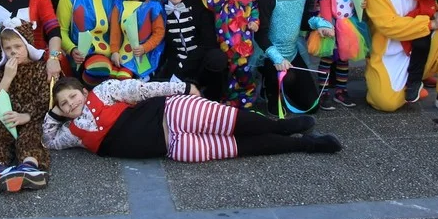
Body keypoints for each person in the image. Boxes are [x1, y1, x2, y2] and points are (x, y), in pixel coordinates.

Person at [43, 77, 341, 161]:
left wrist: (182, 88)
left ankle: (282, 126)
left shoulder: (103, 91)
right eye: (64, 104)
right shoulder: (73, 133)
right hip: (175, 147)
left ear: (84, 91)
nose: (71, 104)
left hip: (172, 112)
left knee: (232, 122)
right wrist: (54, 113)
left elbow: (143, 89)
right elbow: (49, 141)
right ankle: (305, 145)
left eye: (73, 96)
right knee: (241, 147)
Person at [0, 21, 51, 193]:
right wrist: (7, 78)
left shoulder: (39, 68)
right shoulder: (0, 73)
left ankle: (29, 167)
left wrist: (27, 116)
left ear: (27, 46)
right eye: (8, 48)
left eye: (18, 46)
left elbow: (45, 98)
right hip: (7, 120)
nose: (13, 51)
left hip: (31, 119)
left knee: (32, 136)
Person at [256, 0, 322, 115]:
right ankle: (269, 87)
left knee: (312, 106)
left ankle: (286, 86)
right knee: (279, 108)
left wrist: (319, 24)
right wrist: (277, 58)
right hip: (270, 54)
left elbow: (303, 21)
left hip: (292, 51)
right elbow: (260, 34)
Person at [152, 0, 227, 100]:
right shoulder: (159, 10)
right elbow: (166, 46)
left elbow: (208, 43)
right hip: (176, 64)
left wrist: (182, 69)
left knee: (217, 58)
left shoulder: (200, 5)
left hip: (201, 64)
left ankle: (213, 100)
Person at [201, 0, 261, 109]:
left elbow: (253, 3)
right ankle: (227, 100)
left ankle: (247, 97)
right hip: (223, 35)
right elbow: (211, 4)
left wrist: (254, 20)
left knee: (243, 68)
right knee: (227, 69)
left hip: (242, 35)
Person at [107, 0, 165, 80]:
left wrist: (145, 48)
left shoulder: (153, 7)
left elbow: (159, 33)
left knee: (124, 78)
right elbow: (115, 32)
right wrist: (114, 51)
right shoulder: (118, 6)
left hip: (144, 56)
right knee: (112, 77)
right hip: (123, 55)